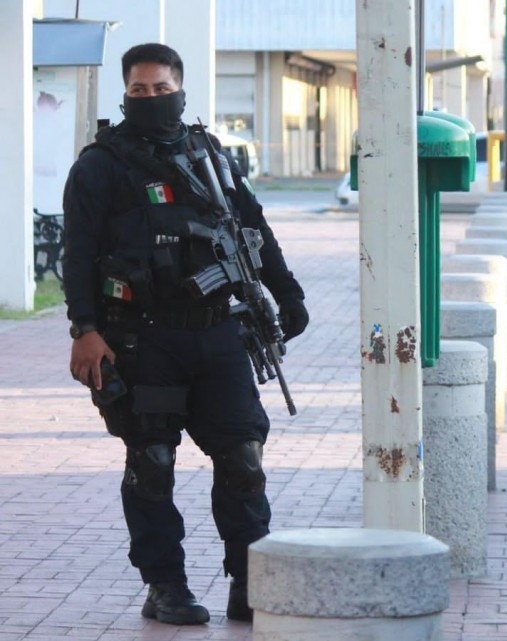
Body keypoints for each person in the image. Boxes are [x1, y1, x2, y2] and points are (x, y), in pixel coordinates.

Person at [63, 43, 308, 625]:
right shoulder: (101, 165)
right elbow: (78, 254)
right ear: (125, 95)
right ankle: (165, 584)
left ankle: (247, 580)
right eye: (139, 91)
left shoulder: (210, 158)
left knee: (244, 459)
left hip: (218, 334)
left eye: (161, 88)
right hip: (143, 340)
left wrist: (287, 291)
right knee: (151, 461)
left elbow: (254, 228)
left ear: (181, 88)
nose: (151, 99)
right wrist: (84, 328)